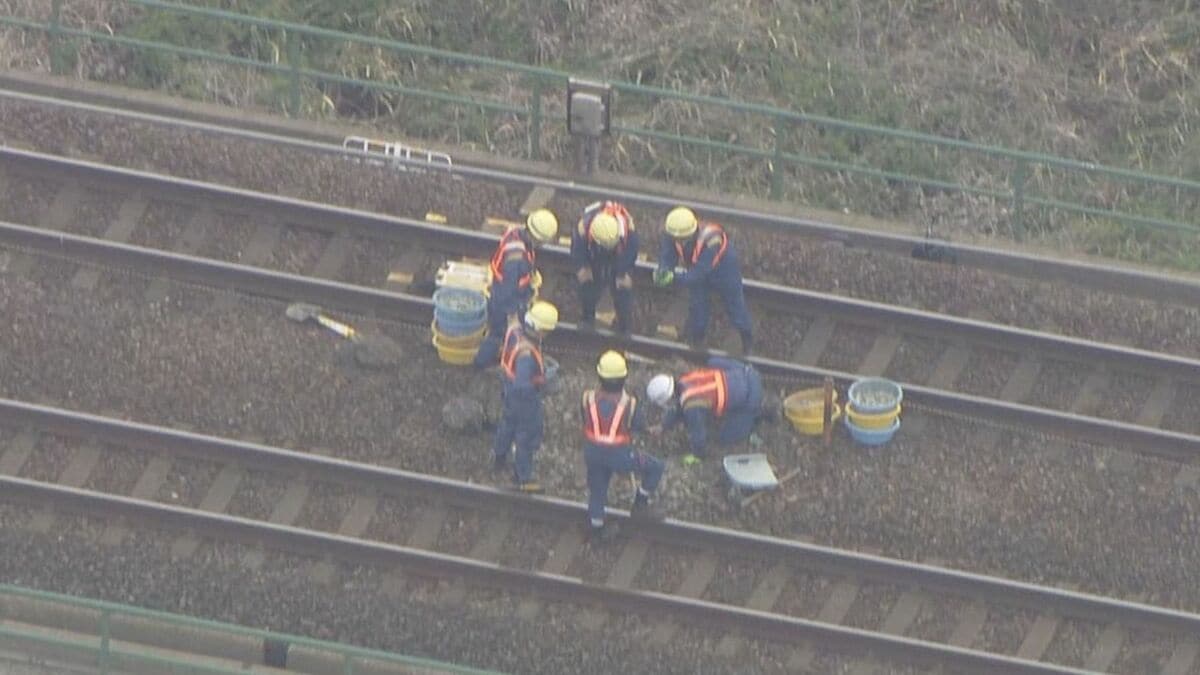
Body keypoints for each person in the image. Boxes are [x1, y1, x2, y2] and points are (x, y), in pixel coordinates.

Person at [581, 350, 665, 542]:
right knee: (656, 467)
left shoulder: (587, 398)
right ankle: (640, 504)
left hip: (592, 453)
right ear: (624, 378)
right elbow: (639, 426)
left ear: (599, 375)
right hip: (619, 456)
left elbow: (585, 421)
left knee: (597, 492)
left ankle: (596, 530)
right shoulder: (629, 403)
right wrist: (650, 431)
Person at [654, 206, 753, 354]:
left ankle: (747, 339)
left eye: (682, 239)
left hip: (724, 272)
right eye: (676, 239)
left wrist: (673, 278)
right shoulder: (673, 233)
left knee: (735, 308)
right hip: (697, 269)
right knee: (698, 309)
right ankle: (696, 342)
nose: (679, 242)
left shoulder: (712, 241)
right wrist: (663, 269)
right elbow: (668, 255)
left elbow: (698, 274)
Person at [473, 209, 558, 368]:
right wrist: (512, 313)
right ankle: (480, 363)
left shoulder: (516, 234)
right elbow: (509, 289)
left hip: (501, 291)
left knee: (498, 332)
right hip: (504, 299)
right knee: (497, 333)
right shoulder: (516, 259)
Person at [646, 356, 768, 464]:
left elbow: (698, 434)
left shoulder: (692, 406)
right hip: (745, 372)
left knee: (726, 438)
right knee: (712, 361)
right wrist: (663, 426)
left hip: (751, 396)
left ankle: (758, 414)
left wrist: (697, 455)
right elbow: (679, 407)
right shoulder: (685, 380)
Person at [491, 300, 558, 493]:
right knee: (526, 436)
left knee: (507, 424)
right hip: (523, 399)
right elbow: (523, 385)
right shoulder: (527, 355)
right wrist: (542, 381)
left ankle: (499, 457)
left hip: (508, 390)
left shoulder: (515, 331)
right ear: (540, 331)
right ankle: (522, 477)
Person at [571, 200, 638, 334]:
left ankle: (623, 325)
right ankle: (587, 319)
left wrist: (621, 273)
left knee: (622, 290)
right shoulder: (584, 227)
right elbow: (577, 248)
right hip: (594, 254)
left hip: (618, 255)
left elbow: (631, 251)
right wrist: (583, 267)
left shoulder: (627, 228)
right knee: (587, 285)